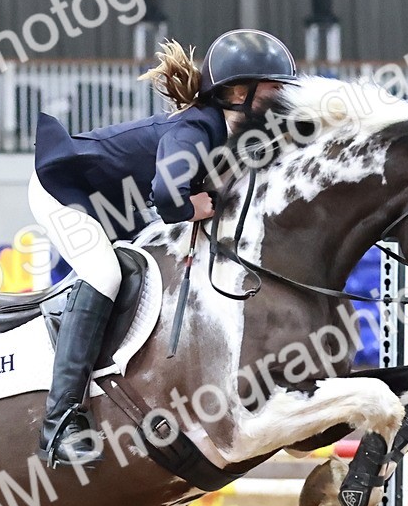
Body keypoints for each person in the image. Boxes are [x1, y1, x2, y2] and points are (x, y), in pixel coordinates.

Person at [29, 29, 297, 467]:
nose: (284, 96)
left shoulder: (234, 137)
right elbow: (169, 195)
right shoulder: (197, 126)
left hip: (115, 209)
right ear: (237, 92)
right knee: (103, 273)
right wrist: (193, 206)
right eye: (275, 87)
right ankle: (59, 424)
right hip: (62, 190)